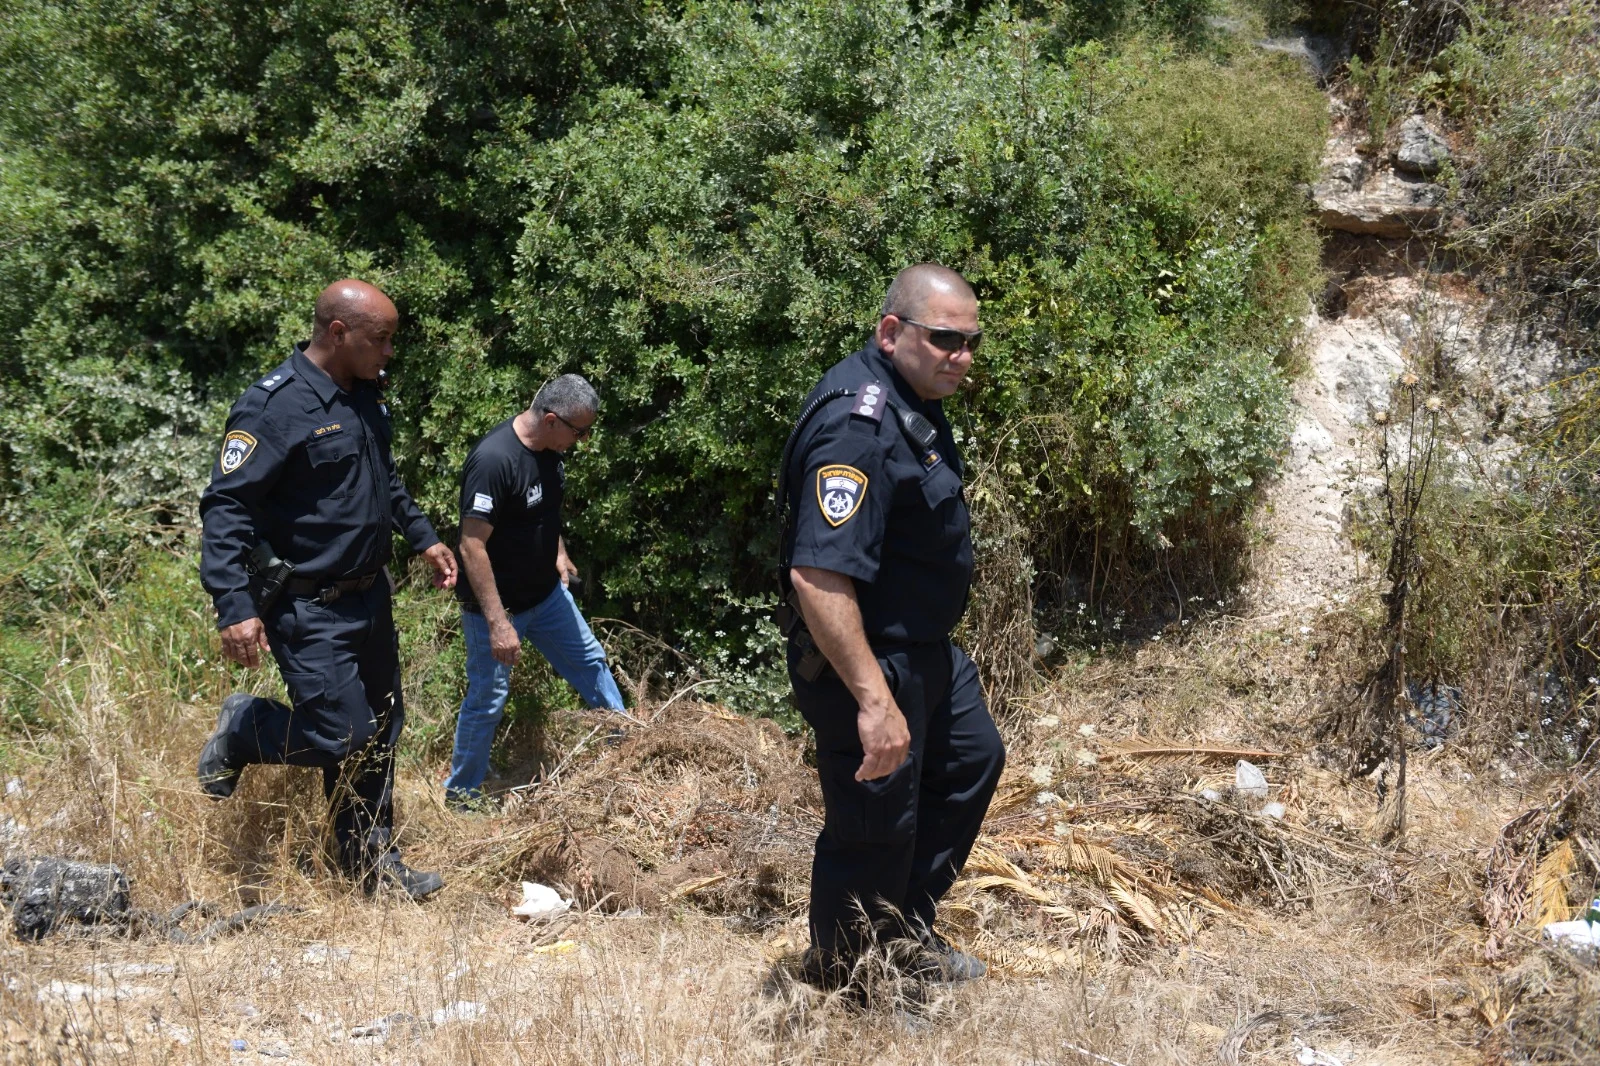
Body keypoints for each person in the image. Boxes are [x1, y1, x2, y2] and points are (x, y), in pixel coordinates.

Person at [777, 263, 1005, 986]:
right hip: (868, 664)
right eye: (944, 339)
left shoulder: (912, 400)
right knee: (875, 824)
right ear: (890, 332)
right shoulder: (859, 430)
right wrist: (875, 700)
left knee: (971, 761)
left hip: (925, 651)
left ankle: (904, 933)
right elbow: (817, 575)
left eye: (969, 343)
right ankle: (851, 978)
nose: (960, 357)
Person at [197, 279, 458, 899]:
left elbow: (385, 480)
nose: (389, 351)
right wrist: (233, 605)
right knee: (345, 736)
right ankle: (246, 729)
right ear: (338, 333)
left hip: (370, 596)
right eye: (381, 338)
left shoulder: (364, 395)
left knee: (381, 731)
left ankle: (368, 866)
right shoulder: (272, 407)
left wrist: (423, 537)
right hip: (306, 606)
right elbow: (226, 509)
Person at [443, 375, 625, 811]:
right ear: (549, 419)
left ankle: (630, 749)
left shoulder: (550, 451)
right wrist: (498, 623)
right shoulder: (494, 461)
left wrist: (558, 553)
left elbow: (544, 511)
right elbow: (471, 544)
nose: (580, 442)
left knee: (592, 665)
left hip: (546, 597)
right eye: (578, 432)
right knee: (487, 700)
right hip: (498, 608)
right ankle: (461, 797)